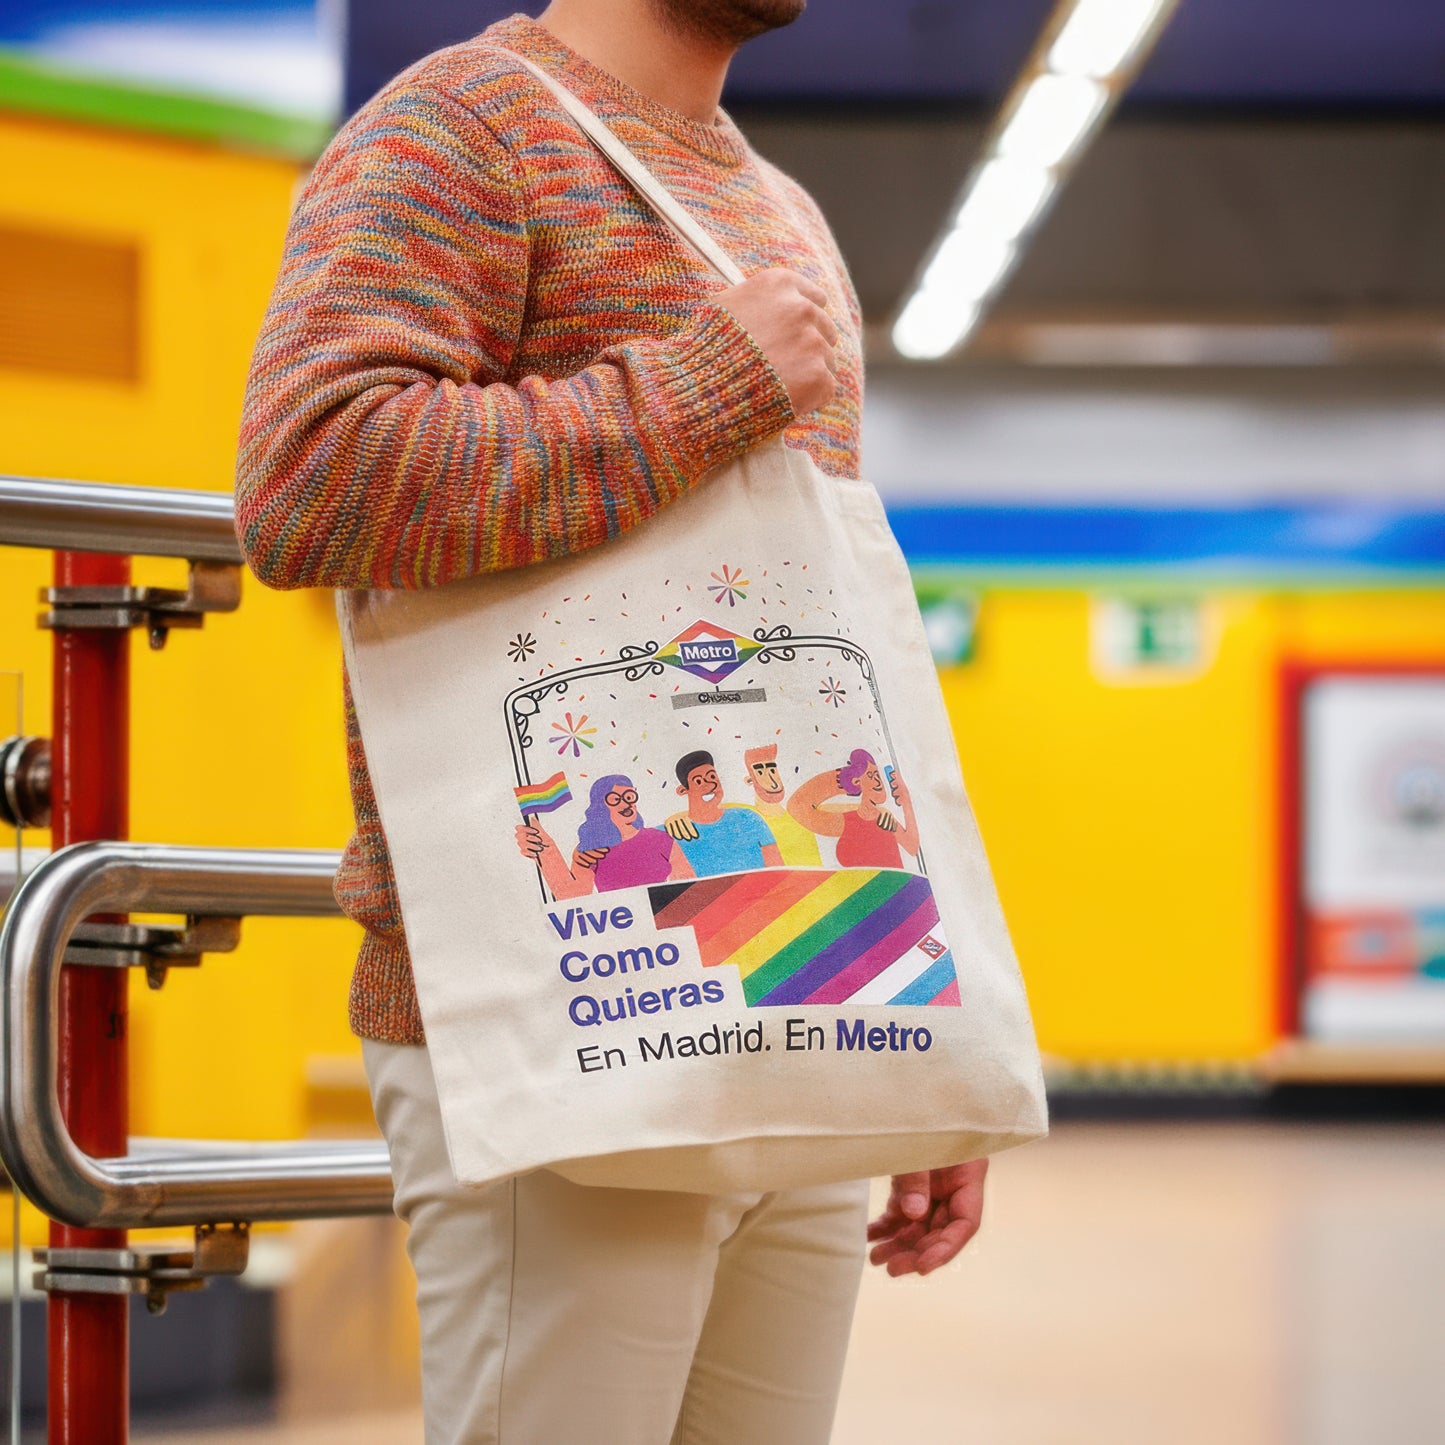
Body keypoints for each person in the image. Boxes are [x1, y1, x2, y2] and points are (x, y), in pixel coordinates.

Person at [235, 1, 987, 1439]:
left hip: (808, 993)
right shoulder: (460, 128)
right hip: (560, 1011)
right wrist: (709, 387)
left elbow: (814, 648)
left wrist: (919, 1028)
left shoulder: (781, 211)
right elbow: (311, 478)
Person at [515, 773, 694, 896]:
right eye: (615, 799)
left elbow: (690, 888)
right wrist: (547, 853)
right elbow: (572, 896)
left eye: (629, 797)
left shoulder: (660, 839)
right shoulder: (590, 848)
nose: (626, 804)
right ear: (601, 806)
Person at [790, 748, 922, 869]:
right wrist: (841, 780)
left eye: (877, 774)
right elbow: (797, 806)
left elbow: (912, 846)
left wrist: (906, 802)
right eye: (870, 776)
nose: (877, 781)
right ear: (857, 782)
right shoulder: (847, 822)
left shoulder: (885, 817)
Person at [667, 748, 782, 875]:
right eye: (698, 781)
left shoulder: (748, 818)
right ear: (683, 791)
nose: (711, 785)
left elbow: (778, 870)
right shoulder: (674, 831)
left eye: (712, 776)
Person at [742, 740, 822, 865]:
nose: (773, 782)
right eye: (760, 772)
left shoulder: (799, 817)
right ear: (749, 780)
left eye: (773, 771)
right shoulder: (746, 817)